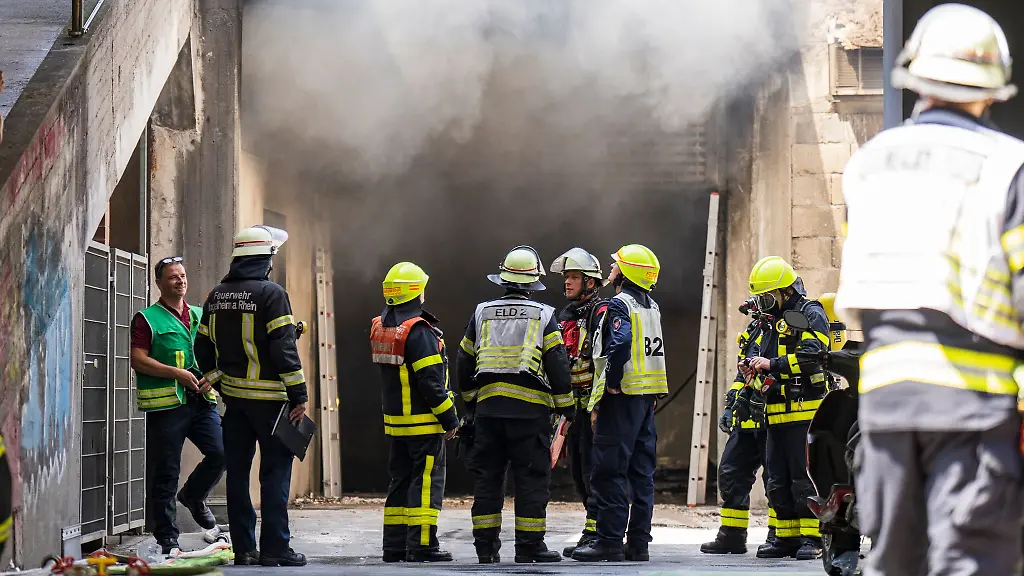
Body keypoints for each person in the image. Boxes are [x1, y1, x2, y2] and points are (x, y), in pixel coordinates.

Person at [835, 5, 1024, 574]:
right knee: (968, 561)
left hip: (887, 405)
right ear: (992, 88)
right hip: (973, 403)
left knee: (895, 562)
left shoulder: (868, 165)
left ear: (914, 77)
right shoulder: (1007, 165)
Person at [194, 225, 307, 567]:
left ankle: (244, 549)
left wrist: (217, 381)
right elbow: (283, 348)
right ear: (265, 259)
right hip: (273, 403)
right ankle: (275, 548)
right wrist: (299, 394)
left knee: (238, 475)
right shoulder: (273, 294)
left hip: (235, 403)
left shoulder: (215, 295)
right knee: (274, 475)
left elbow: (201, 346)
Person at [456, 245, 574, 564]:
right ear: (534, 282)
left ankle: (485, 549)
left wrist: (470, 405)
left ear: (503, 279)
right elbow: (558, 366)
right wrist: (567, 408)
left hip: (489, 414)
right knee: (531, 481)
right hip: (529, 416)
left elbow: (464, 362)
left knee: (488, 482)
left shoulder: (481, 312)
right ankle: (529, 547)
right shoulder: (543, 315)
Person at [571, 244, 667, 563]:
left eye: (616, 266)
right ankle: (638, 544)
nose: (611, 270)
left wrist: (611, 383)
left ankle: (609, 541)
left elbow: (621, 342)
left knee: (609, 470)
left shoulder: (619, 304)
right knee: (641, 473)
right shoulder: (651, 306)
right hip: (645, 400)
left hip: (622, 399)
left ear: (625, 273)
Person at [130, 256, 224, 554]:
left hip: (201, 400)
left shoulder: (199, 314)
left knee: (222, 452)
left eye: (183, 275)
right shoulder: (147, 319)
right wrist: (176, 373)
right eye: (173, 277)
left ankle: (193, 496)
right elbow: (138, 359)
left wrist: (213, 377)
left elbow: (219, 354)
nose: (181, 281)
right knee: (166, 472)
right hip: (167, 406)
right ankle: (167, 539)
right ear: (159, 283)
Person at [740, 256, 830, 560]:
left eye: (768, 298)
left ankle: (813, 538)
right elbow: (762, 354)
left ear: (785, 291)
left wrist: (772, 364)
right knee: (776, 479)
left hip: (805, 412)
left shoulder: (809, 312)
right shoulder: (770, 322)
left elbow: (812, 355)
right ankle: (786, 537)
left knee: (803, 477)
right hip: (775, 411)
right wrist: (752, 368)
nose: (764, 305)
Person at [370, 262, 460, 563]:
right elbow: (430, 383)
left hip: (397, 425)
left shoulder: (383, 327)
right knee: (425, 484)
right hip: (423, 424)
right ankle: (422, 545)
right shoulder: (419, 331)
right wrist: (450, 418)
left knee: (400, 482)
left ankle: (394, 546)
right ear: (415, 291)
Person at [700, 304, 775, 555]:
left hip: (772, 418)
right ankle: (731, 536)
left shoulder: (786, 328)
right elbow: (741, 374)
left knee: (776, 481)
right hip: (745, 420)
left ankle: (779, 536)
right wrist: (730, 405)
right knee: (730, 474)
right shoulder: (754, 329)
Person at [549, 248, 609, 558]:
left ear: (590, 282)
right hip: (573, 408)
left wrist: (598, 407)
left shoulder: (603, 314)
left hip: (594, 408)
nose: (568, 283)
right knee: (578, 472)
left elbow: (605, 362)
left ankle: (598, 533)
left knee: (594, 471)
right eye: (566, 277)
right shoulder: (566, 316)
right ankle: (592, 529)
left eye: (574, 277)